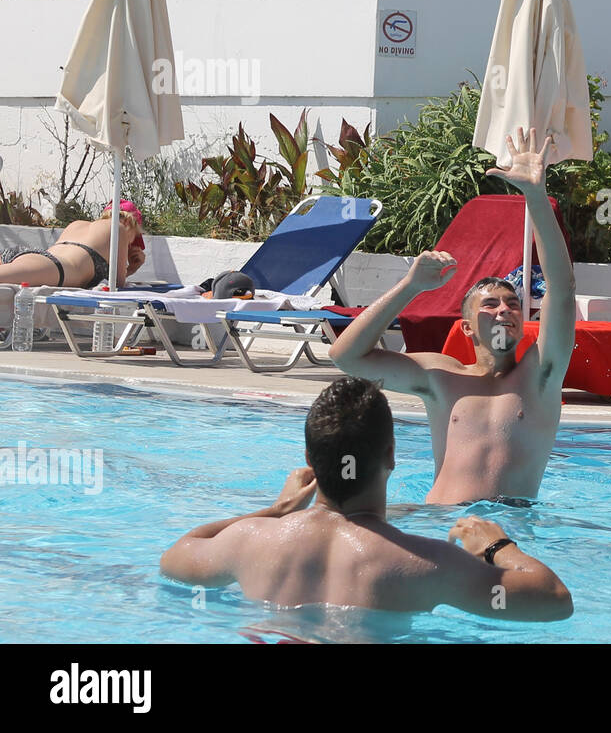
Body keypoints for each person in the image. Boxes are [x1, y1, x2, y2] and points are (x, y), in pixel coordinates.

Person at [159, 377, 573, 619]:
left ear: (309, 459)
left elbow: (176, 557)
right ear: (391, 455)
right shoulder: (428, 563)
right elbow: (555, 601)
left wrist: (276, 511)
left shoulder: (249, 541)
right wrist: (497, 546)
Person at [329, 127, 577, 505]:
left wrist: (536, 197)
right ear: (466, 328)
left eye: (512, 304)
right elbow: (346, 357)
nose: (504, 309)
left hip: (509, 533)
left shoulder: (541, 376)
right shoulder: (440, 378)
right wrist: (410, 286)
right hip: (438, 526)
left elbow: (562, 290)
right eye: (489, 304)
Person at [0, 200, 146, 289]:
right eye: (134, 237)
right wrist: (132, 268)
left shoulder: (78, 224)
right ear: (128, 222)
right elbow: (117, 284)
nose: (131, 244)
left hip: (35, 258)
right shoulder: (118, 228)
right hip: (53, 269)